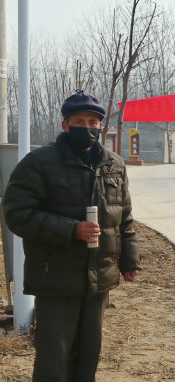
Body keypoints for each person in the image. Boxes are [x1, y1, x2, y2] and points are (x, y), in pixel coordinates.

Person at [2, 90, 141, 382]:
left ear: (100, 126)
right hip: (56, 276)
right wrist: (71, 229)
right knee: (54, 355)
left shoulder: (114, 164)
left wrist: (129, 260)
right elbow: (17, 214)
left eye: (93, 122)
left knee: (88, 354)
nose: (87, 127)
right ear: (65, 125)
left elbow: (124, 216)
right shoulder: (39, 162)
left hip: (98, 276)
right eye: (79, 121)